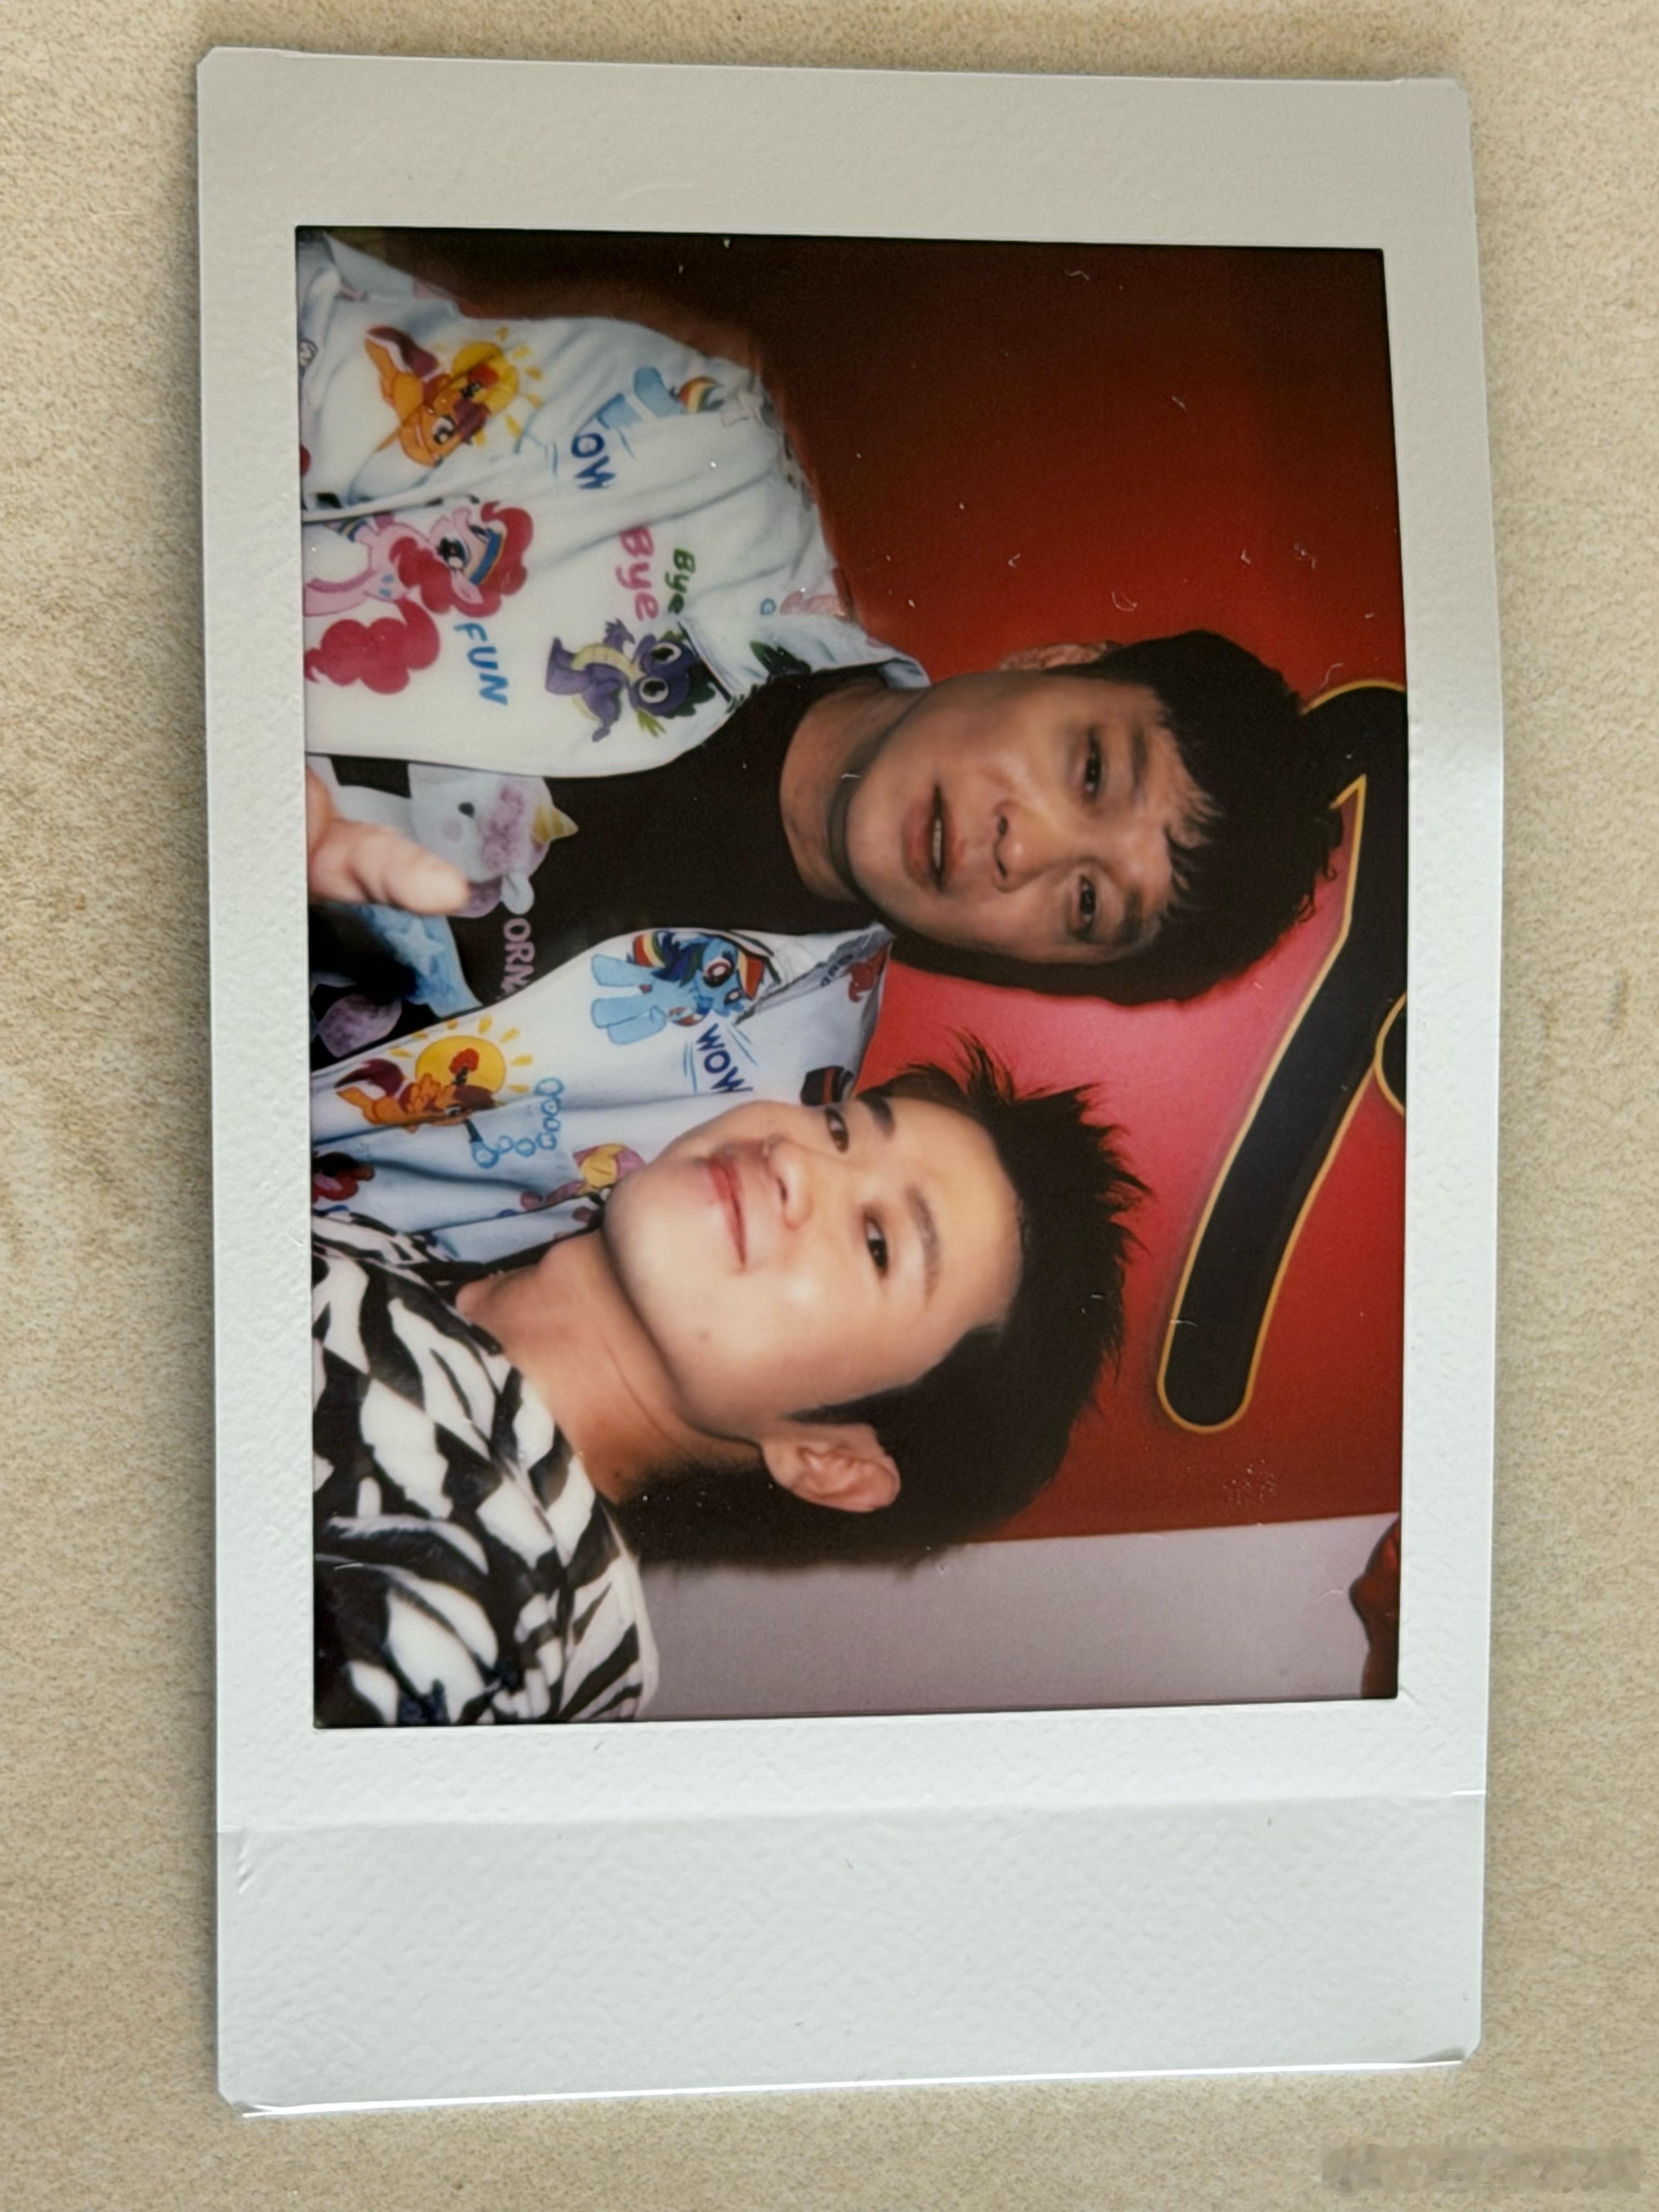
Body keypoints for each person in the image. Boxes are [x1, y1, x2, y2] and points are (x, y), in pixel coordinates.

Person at [298, 231, 1341, 1072]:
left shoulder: (770, 1110)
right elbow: (286, 348)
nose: (1022, 851)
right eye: (1093, 772)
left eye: (1086, 903)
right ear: (1057, 661)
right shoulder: (694, 455)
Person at [314, 1048, 1143, 1725]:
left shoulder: (479, 1613)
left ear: (829, 1459)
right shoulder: (397, 1268)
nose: (795, 1160)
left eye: (878, 1243)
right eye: (840, 1128)